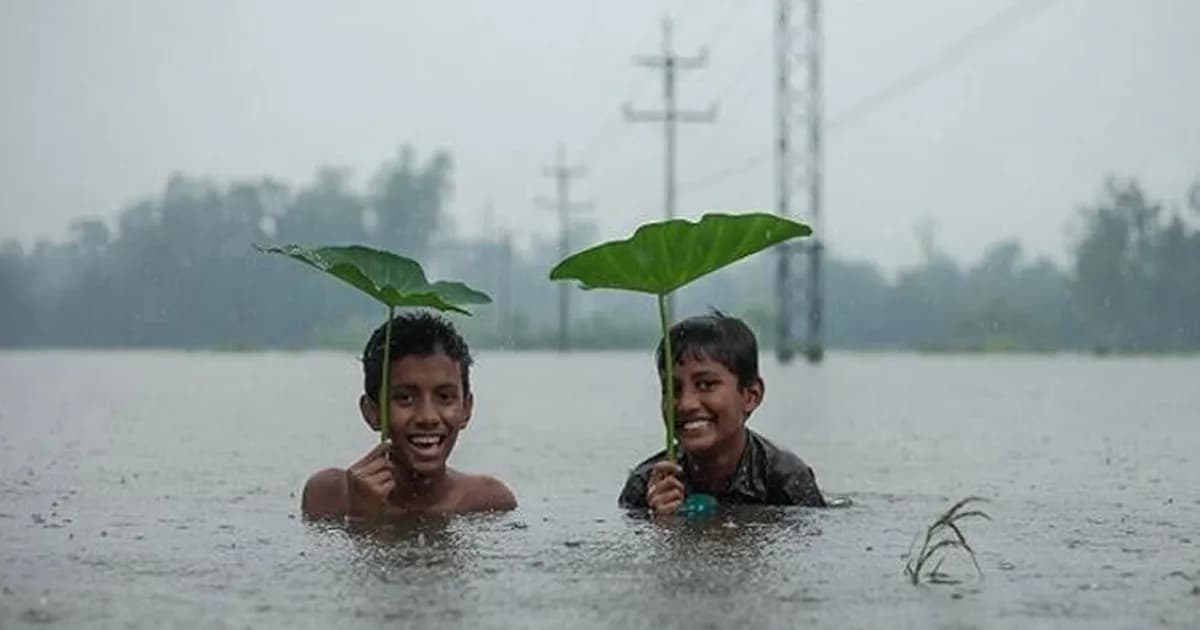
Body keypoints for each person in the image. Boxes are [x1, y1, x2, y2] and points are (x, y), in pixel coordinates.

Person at [301, 311, 516, 520]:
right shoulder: (328, 496)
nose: (427, 417)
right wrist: (363, 518)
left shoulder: (487, 504)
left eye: (445, 397)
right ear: (372, 412)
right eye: (405, 398)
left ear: (466, 409)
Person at [618, 310, 827, 514]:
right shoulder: (645, 484)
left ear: (750, 396)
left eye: (705, 385)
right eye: (673, 389)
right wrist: (662, 525)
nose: (685, 404)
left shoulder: (786, 478)